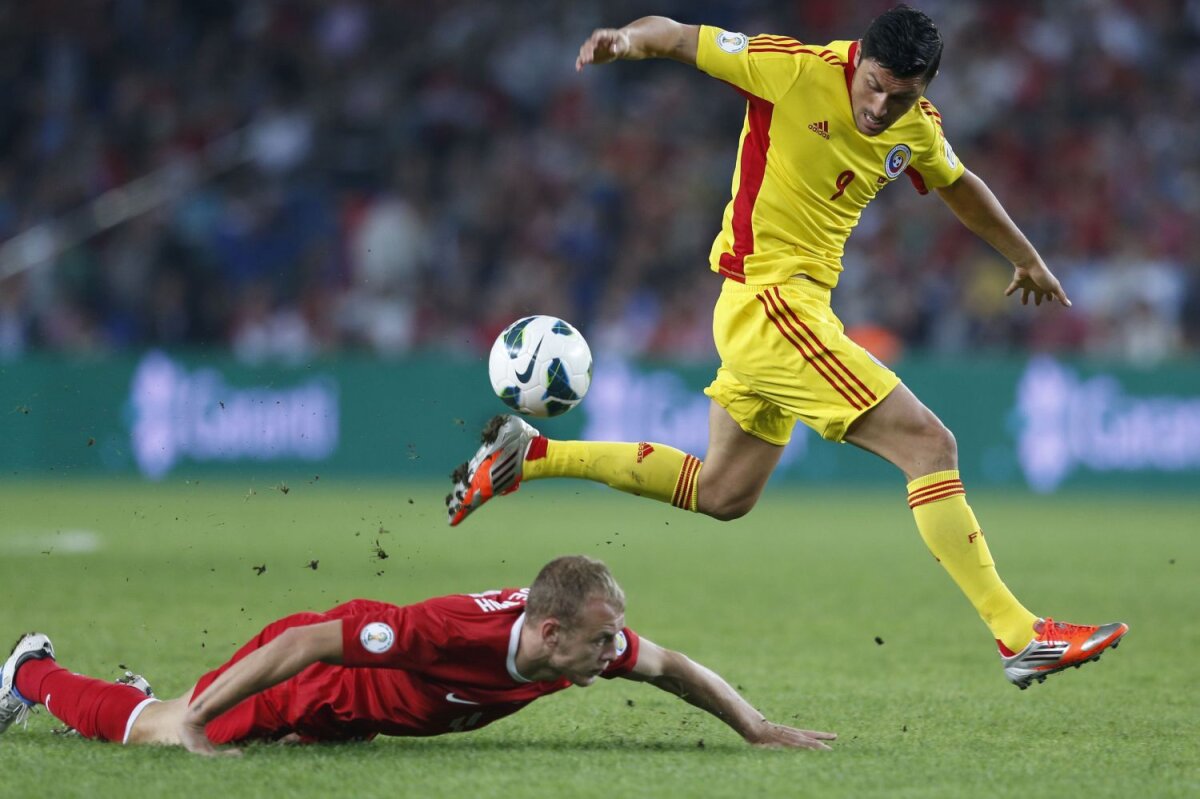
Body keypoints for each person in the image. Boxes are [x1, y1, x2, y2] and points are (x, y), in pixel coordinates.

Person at [445, 7, 1128, 689]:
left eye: (904, 95)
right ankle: (1019, 633)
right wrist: (626, 41)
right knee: (930, 445)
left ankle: (529, 456)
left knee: (724, 492)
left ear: (928, 87)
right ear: (859, 59)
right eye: (875, 85)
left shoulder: (917, 127)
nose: (882, 106)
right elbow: (679, 37)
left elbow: (958, 185)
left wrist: (1027, 257)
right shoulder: (793, 68)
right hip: (771, 302)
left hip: (776, 314)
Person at [0, 556, 835, 755]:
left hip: (358, 718)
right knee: (163, 730)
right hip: (314, 682)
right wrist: (201, 718)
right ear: (549, 635)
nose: (615, 652)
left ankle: (155, 694)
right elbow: (298, 643)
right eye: (600, 639)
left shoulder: (582, 646)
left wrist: (758, 728)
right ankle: (29, 671)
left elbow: (677, 666)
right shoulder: (447, 631)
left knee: (205, 723)